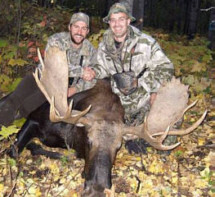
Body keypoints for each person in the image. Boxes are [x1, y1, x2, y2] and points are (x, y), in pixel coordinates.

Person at [91, 3, 176, 153]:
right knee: (128, 143)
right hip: (119, 106)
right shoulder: (104, 46)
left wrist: (152, 88)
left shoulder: (145, 42)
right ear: (109, 23)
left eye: (121, 19)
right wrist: (92, 72)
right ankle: (135, 137)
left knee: (169, 107)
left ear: (128, 21)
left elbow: (166, 67)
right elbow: (102, 69)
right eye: (113, 20)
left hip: (145, 100)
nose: (117, 24)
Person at [0, 12, 96, 127]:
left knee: (27, 106)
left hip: (60, 91)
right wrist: (81, 72)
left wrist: (74, 89)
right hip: (42, 77)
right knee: (13, 100)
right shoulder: (56, 40)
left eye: (83, 28)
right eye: (76, 27)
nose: (79, 32)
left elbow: (93, 78)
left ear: (88, 31)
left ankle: (18, 120)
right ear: (69, 27)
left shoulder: (90, 50)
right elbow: (54, 67)